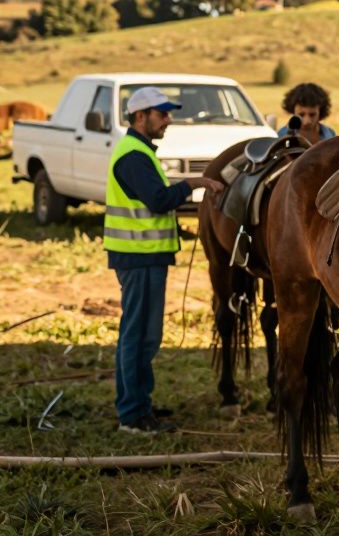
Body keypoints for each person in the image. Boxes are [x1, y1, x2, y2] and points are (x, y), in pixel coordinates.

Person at [107, 87, 223, 434]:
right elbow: (158, 200)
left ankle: (138, 403)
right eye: (162, 114)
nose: (168, 120)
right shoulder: (133, 155)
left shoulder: (139, 152)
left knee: (140, 334)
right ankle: (133, 415)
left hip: (143, 257)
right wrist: (193, 183)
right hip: (139, 258)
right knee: (139, 335)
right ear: (140, 117)